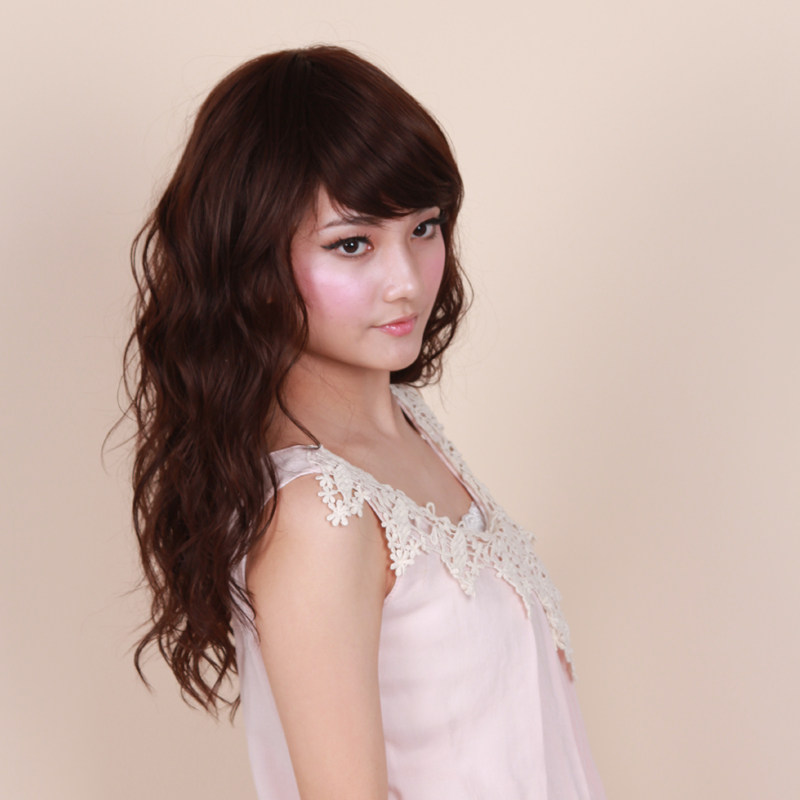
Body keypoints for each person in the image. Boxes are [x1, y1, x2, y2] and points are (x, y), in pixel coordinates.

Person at [124, 45, 606, 800]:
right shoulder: (318, 514)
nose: (406, 281)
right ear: (252, 264)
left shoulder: (404, 426)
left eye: (424, 228)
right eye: (352, 244)